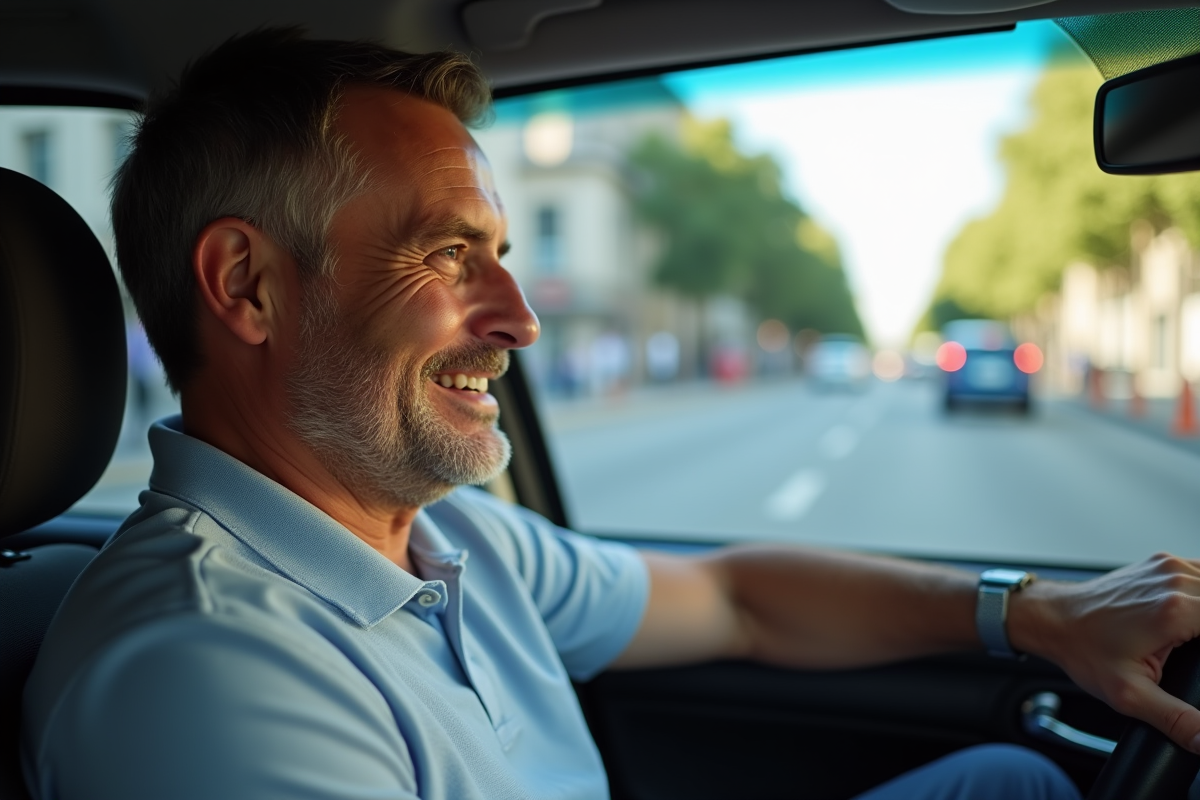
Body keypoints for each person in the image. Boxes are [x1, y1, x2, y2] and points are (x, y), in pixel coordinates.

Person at [20, 29, 1200, 800]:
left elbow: (737, 597)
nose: (523, 317)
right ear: (249, 286)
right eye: (448, 253)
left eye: (505, 254)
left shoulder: (444, 537)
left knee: (1006, 781)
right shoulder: (204, 672)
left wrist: (1039, 613)